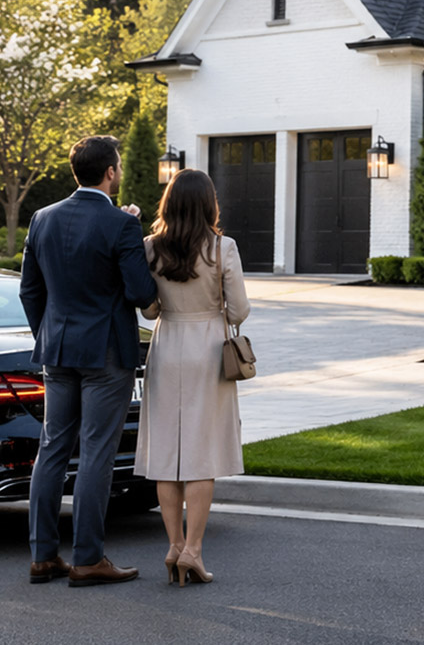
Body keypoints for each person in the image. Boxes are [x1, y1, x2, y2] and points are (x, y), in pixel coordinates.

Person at [19, 135, 157, 587]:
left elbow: (30, 291)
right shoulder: (121, 225)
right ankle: (87, 558)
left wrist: (49, 333)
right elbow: (140, 293)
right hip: (106, 354)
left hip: (57, 351)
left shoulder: (42, 218)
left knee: (52, 449)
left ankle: (42, 557)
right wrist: (130, 231)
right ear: (111, 172)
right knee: (97, 451)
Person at [134, 168, 250, 586]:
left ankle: (172, 545)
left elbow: (148, 311)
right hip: (207, 351)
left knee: (168, 454)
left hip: (167, 348)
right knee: (202, 454)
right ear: (209, 204)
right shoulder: (223, 248)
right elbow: (237, 311)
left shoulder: (150, 247)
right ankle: (193, 551)